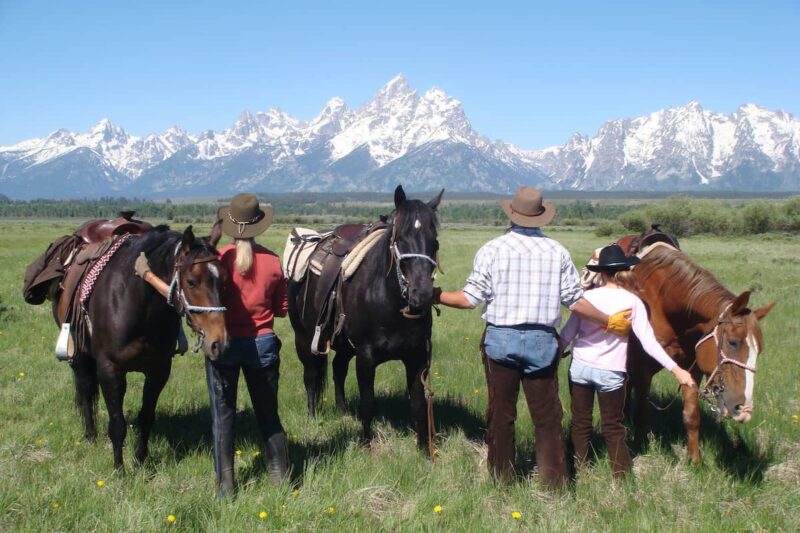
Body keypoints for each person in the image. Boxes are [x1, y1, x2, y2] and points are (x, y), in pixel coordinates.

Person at [434, 186, 632, 489]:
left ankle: (501, 479)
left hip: (500, 341)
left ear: (512, 214)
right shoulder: (558, 252)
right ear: (541, 217)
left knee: (501, 415)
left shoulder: (492, 249)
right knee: (547, 417)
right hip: (543, 342)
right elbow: (575, 302)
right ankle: (554, 484)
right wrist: (608, 321)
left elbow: (469, 299)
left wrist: (435, 295)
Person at [135, 193, 290, 497]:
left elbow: (190, 298)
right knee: (269, 416)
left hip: (226, 344)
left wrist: (149, 276)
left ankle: (226, 489)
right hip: (263, 344)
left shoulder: (220, 260)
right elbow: (282, 308)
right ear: (258, 226)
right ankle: (282, 482)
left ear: (231, 227)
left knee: (223, 419)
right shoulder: (273, 261)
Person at [560, 244, 695, 480]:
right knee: (613, 427)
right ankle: (621, 478)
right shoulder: (633, 302)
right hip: (611, 372)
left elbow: (567, 334)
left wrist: (551, 355)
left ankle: (579, 469)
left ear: (601, 273)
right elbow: (650, 343)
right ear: (622, 271)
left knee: (580, 423)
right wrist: (677, 370)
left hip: (580, 368)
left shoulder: (587, 297)